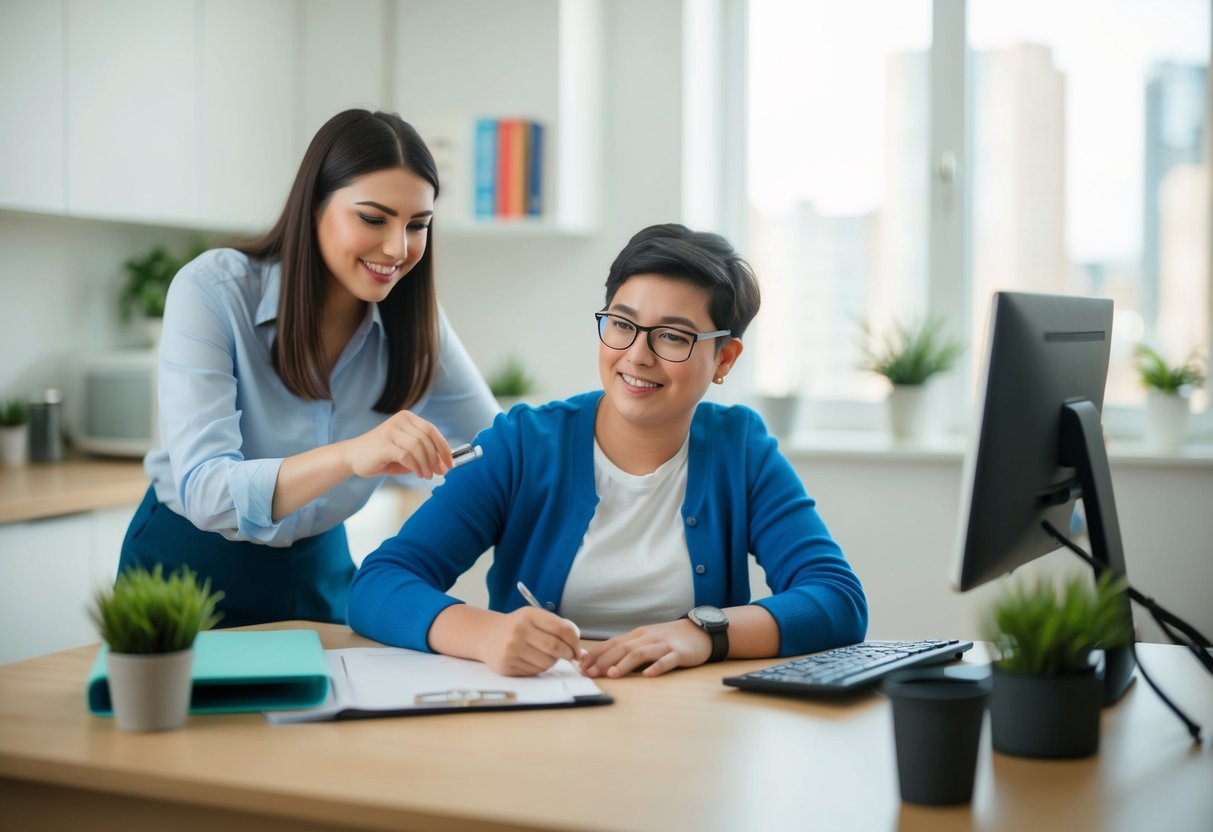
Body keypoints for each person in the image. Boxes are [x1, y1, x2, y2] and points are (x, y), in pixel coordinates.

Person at [349, 223, 867, 677]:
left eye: (672, 337)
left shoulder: (742, 450)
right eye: (622, 325)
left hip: (690, 727)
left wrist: (704, 633)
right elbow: (379, 583)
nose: (637, 356)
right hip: (537, 715)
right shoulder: (522, 444)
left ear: (724, 358)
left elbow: (837, 599)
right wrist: (485, 634)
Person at [117, 109, 499, 627]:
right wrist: (351, 456)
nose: (398, 248)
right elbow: (206, 489)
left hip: (319, 570)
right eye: (373, 218)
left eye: (418, 225)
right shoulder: (212, 290)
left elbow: (495, 450)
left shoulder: (416, 318)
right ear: (314, 205)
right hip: (187, 567)